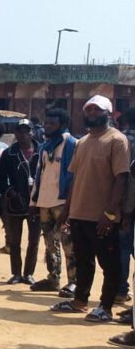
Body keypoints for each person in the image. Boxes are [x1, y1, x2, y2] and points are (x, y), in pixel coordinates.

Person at [50, 96, 130, 322]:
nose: (92, 113)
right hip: (79, 213)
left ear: (108, 113)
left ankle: (105, 307)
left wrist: (110, 213)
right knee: (83, 261)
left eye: (97, 109)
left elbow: (121, 179)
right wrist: (67, 210)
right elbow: (75, 179)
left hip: (102, 216)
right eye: (89, 109)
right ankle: (80, 301)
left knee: (109, 264)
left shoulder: (117, 140)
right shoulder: (82, 142)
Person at [29, 107, 77, 297]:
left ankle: (73, 282)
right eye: (46, 123)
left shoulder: (72, 144)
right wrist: (34, 202)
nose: (47, 126)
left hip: (63, 203)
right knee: (50, 243)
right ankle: (53, 278)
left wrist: (70, 206)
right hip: (45, 202)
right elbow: (39, 174)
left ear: (62, 125)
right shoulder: (45, 146)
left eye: (52, 124)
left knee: (69, 244)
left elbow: (74, 176)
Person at [0, 119, 40, 284]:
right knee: (14, 241)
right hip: (15, 203)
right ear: (15, 133)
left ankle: (29, 274)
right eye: (20, 131)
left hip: (36, 203)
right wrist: (11, 192)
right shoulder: (9, 153)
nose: (23, 134)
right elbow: (0, 179)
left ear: (32, 132)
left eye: (27, 131)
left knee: (34, 241)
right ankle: (16, 273)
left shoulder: (42, 151)